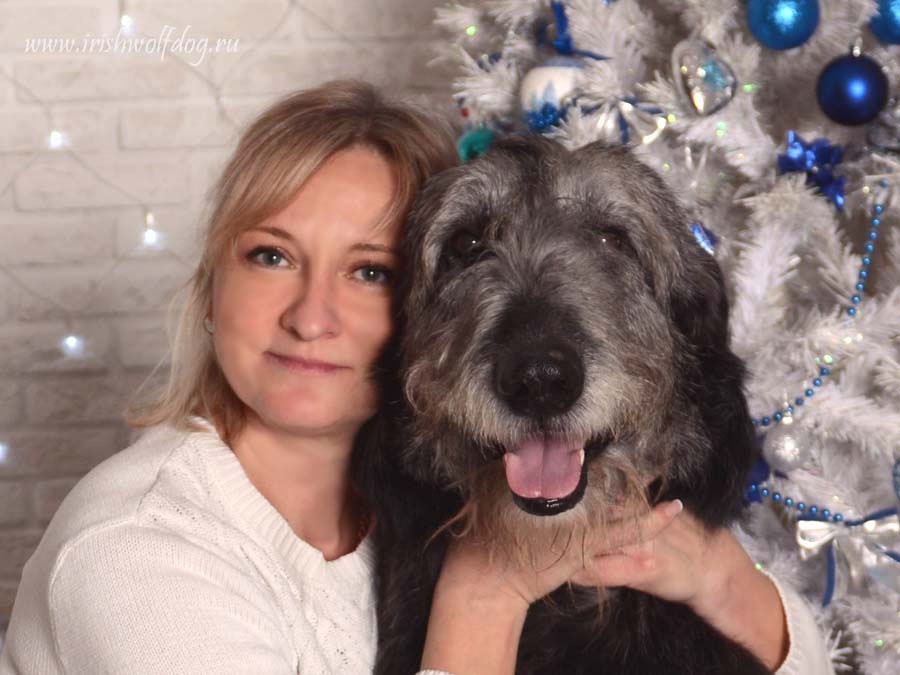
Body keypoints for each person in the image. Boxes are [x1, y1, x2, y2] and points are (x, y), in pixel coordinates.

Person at [0, 80, 833, 675]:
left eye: (367, 271)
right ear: (210, 286)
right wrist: (484, 601)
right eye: (270, 255)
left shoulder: (427, 501)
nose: (311, 316)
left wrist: (728, 583)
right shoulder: (137, 557)